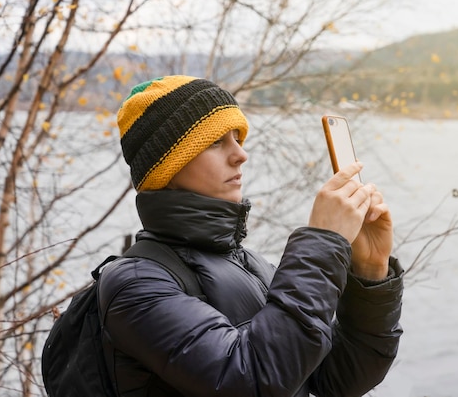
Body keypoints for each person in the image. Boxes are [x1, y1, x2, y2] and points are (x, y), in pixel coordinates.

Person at [98, 75, 404, 397]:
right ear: (167, 168)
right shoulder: (135, 283)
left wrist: (370, 271)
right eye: (216, 141)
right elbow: (248, 380)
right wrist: (322, 241)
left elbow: (338, 379)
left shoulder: (250, 264)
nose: (240, 154)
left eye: (237, 138)